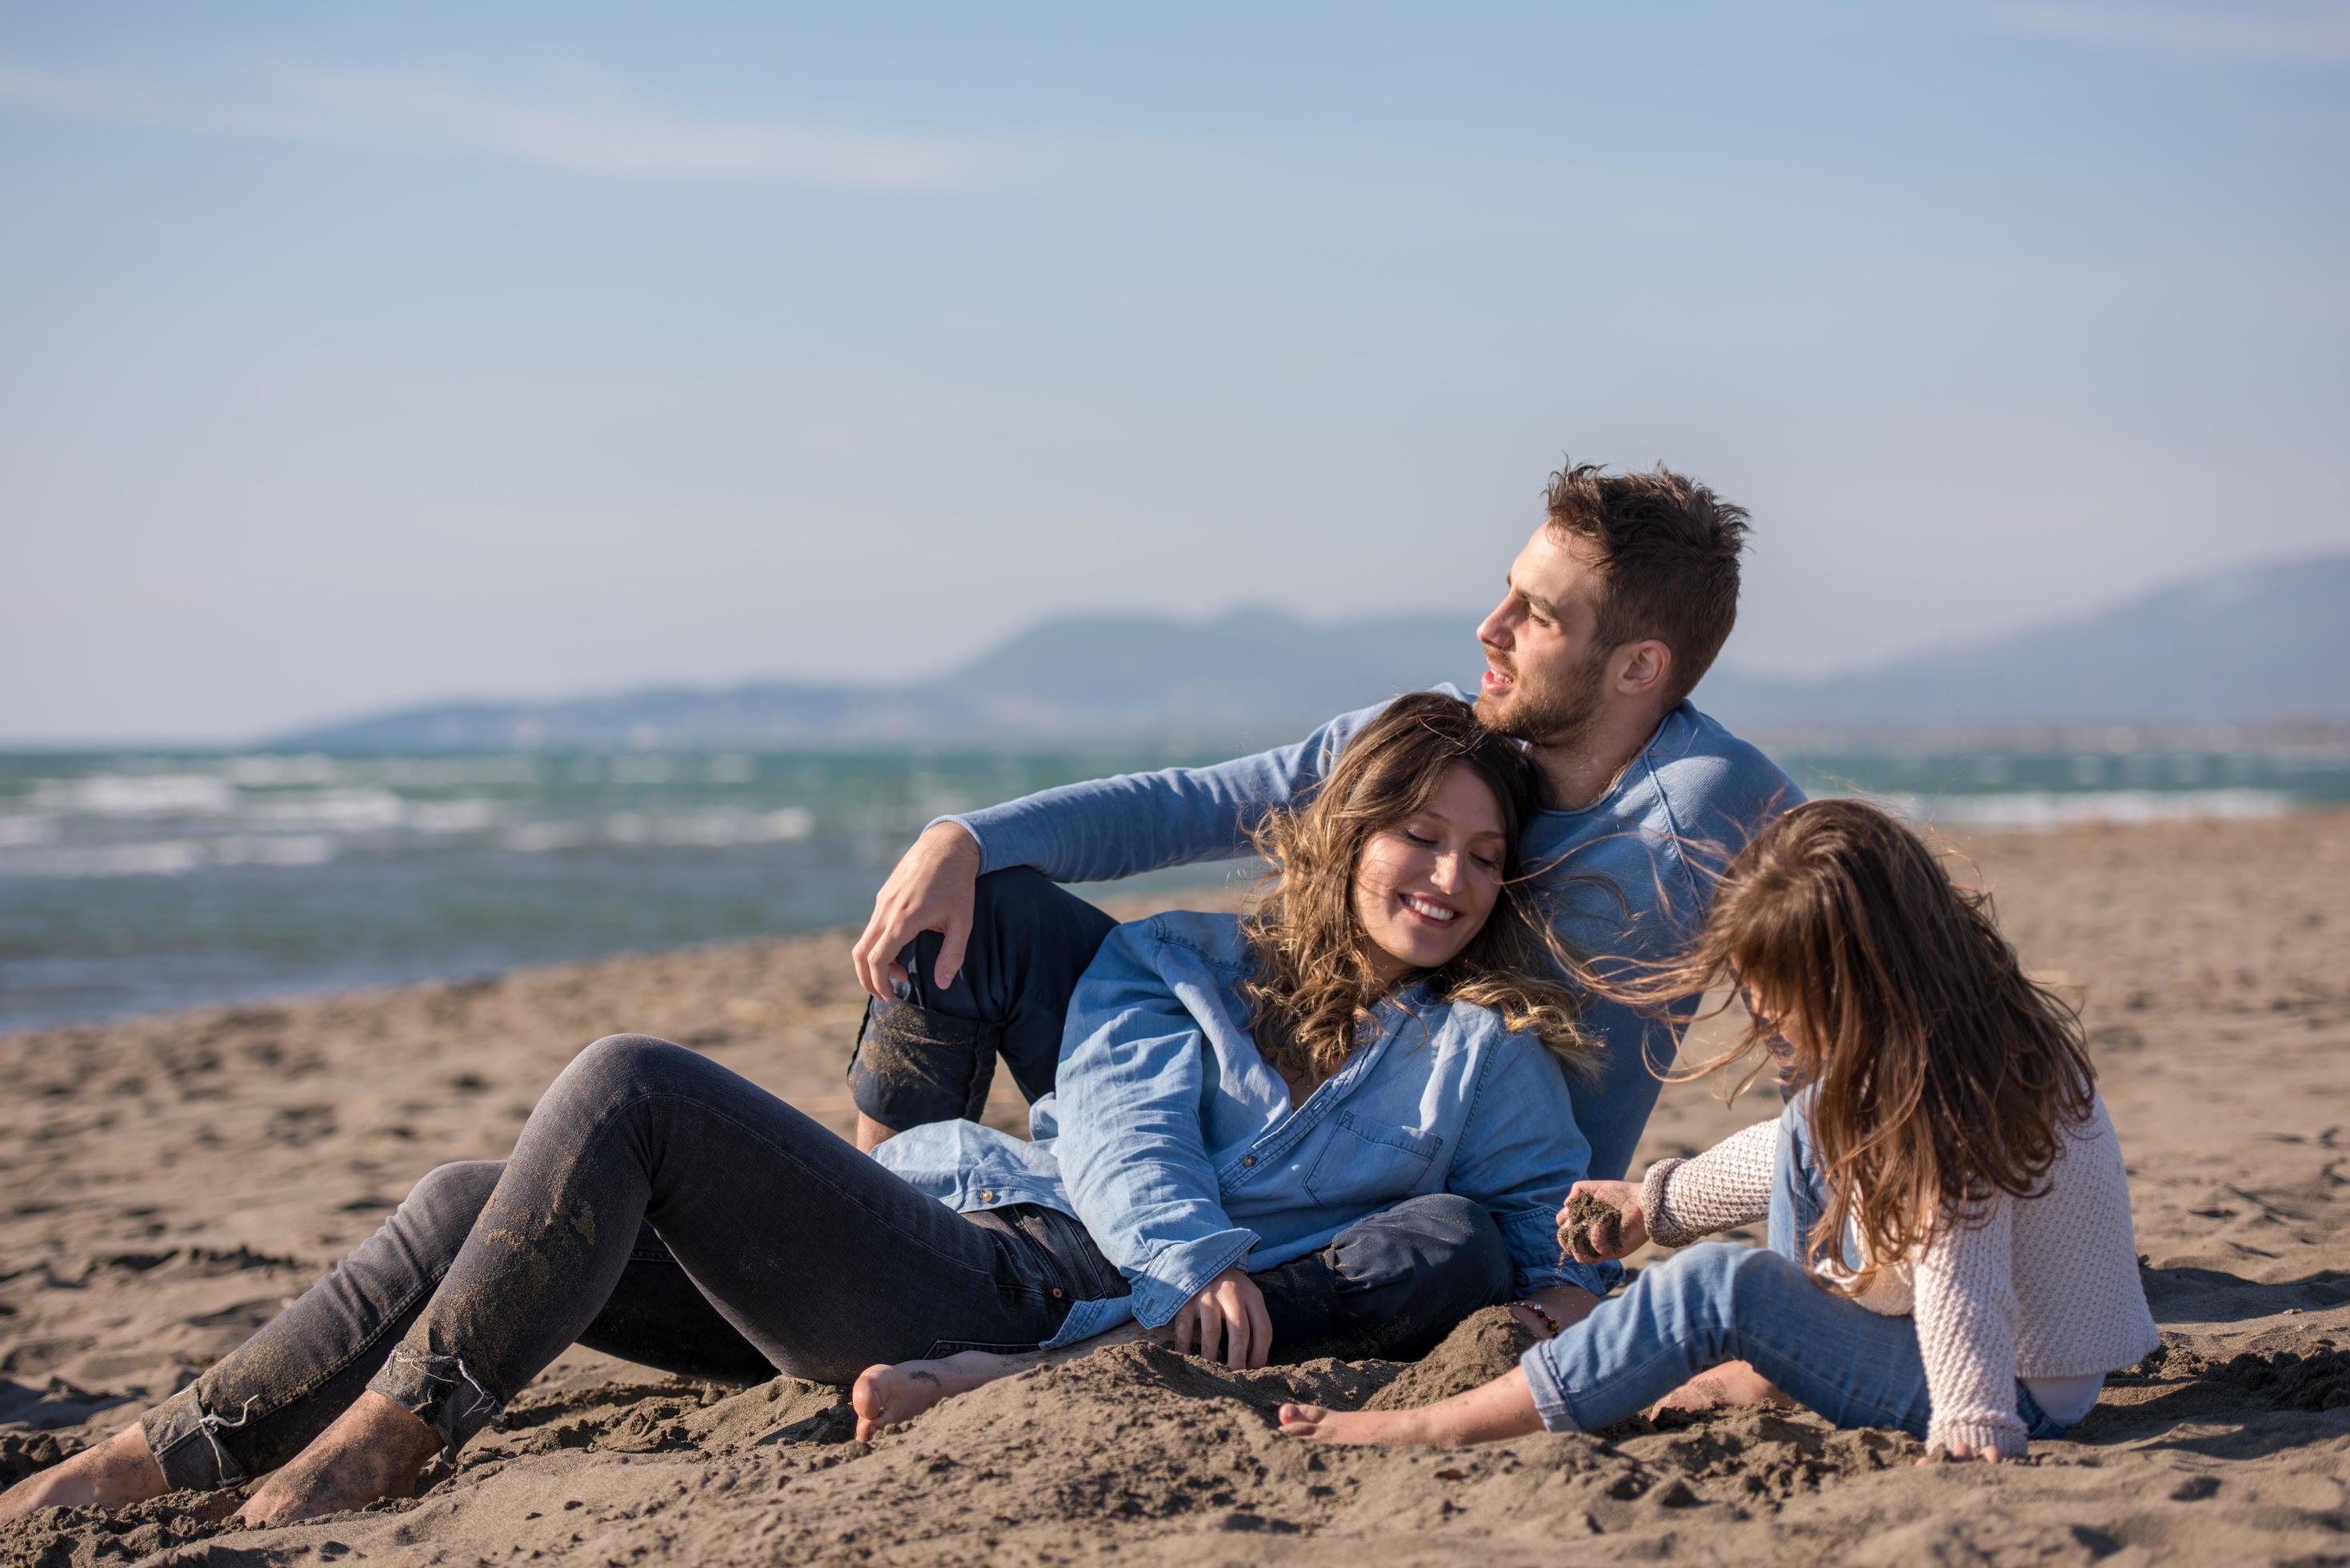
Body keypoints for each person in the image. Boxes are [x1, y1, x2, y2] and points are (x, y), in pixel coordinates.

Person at [0, 696, 1604, 1527]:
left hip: (1029, 1295)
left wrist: (1558, 1283)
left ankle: (391, 1437)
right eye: (1418, 836)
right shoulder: (1172, 963)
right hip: (978, 1238)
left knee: (632, 1084)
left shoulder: (1483, 1056)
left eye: (1480, 856)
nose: (1448, 878)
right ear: (1340, 835)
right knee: (457, 1199)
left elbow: (1531, 1225)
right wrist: (1194, 1262)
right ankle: (167, 1450)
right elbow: (1116, 1138)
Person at [846, 459, 1800, 1220]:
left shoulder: (1712, 808)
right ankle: (868, 1225)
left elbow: (1855, 1020)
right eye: (1505, 592)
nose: (1489, 627)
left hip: (1429, 1212)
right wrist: (964, 837)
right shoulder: (1441, 740)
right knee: (979, 909)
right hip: (1266, 1109)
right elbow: (1193, 805)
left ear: (1640, 665)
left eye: (1536, 616)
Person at [1276, 799, 2163, 1462]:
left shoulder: (1944, 1097)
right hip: (2004, 1353)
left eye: (1779, 990)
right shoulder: (1955, 1026)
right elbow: (1796, 1144)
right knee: (1813, 1119)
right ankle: (1771, 1365)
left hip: (2005, 1386)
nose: (1762, 1010)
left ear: (1858, 974)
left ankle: (1433, 1425)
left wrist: (1974, 1429)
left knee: (1717, 1290)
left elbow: (1960, 1275)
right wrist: (1652, 1203)